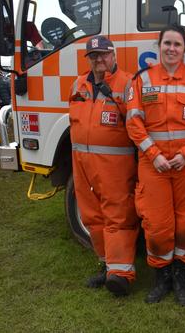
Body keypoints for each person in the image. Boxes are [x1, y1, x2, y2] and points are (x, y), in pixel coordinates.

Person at [126, 24, 185, 306]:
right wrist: (155, 155)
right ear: (159, 45)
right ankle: (161, 277)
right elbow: (133, 122)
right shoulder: (141, 79)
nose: (172, 49)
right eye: (167, 43)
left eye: (177, 44)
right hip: (154, 165)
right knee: (157, 226)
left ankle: (181, 276)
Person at [68, 35, 139, 297]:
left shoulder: (128, 83)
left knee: (118, 216)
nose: (99, 60)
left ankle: (121, 275)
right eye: (93, 56)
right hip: (82, 163)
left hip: (115, 165)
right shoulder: (78, 84)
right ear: (88, 59)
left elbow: (137, 125)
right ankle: (107, 264)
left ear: (114, 55)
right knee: (91, 216)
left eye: (103, 54)